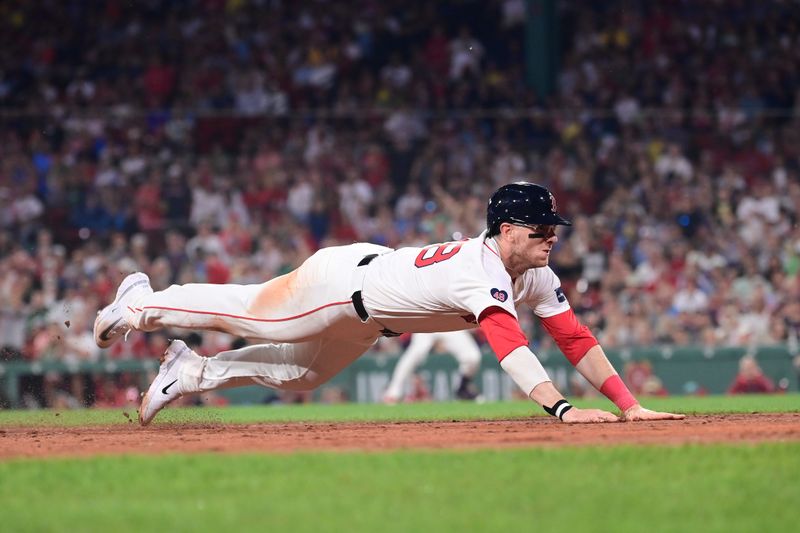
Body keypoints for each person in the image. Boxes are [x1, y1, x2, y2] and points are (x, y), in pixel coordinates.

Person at [93, 181, 684, 425]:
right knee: (250, 311)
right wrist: (562, 410)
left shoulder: (535, 273)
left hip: (373, 315)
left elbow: (574, 338)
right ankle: (141, 304)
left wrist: (629, 406)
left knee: (300, 375)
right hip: (342, 286)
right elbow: (510, 346)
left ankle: (194, 369)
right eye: (539, 230)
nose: (551, 237)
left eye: (552, 228)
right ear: (506, 230)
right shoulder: (480, 272)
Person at [382, 331, 482, 404]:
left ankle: (463, 389)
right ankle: (393, 391)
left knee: (472, 357)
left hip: (451, 319)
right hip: (429, 317)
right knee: (416, 352)